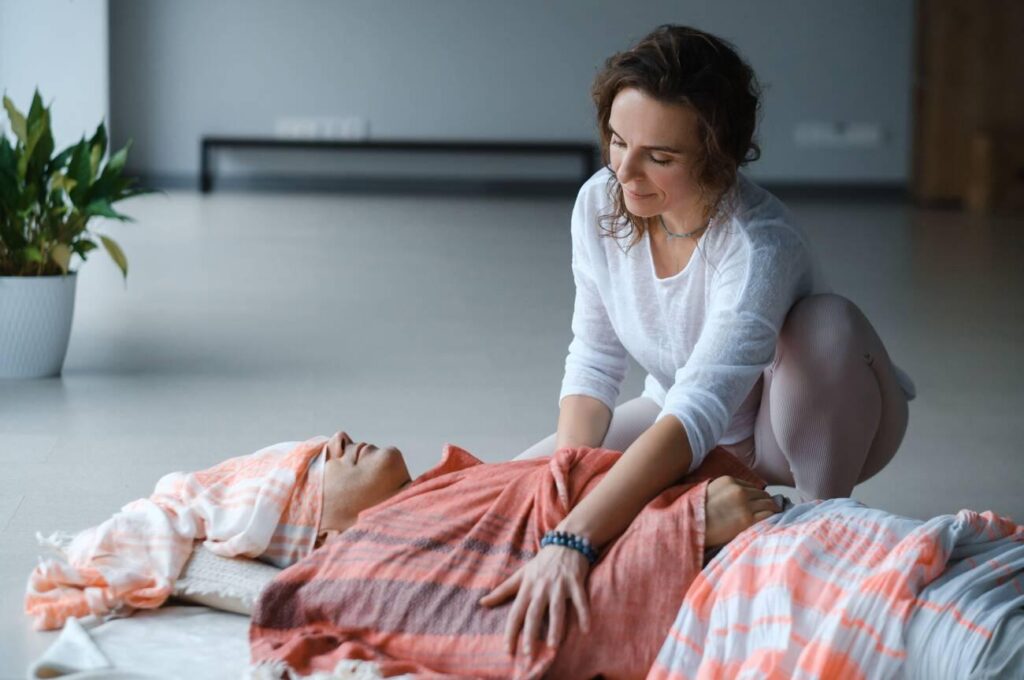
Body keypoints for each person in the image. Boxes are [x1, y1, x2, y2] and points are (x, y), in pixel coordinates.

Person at [489, 24, 917, 656]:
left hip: (803, 426)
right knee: (516, 495)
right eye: (617, 141)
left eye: (659, 157)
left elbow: (701, 407)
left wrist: (576, 537)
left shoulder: (758, 244)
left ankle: (819, 528)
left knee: (825, 324)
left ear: (717, 158)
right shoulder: (599, 204)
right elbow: (595, 359)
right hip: (678, 413)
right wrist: (567, 494)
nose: (624, 172)